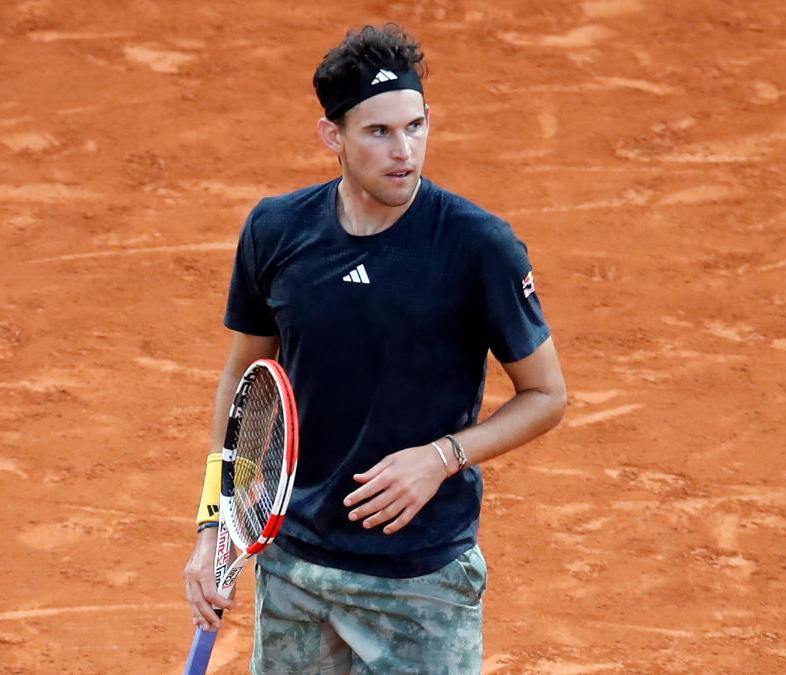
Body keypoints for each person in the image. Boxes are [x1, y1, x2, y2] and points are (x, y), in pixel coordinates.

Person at [181, 23, 567, 675]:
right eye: (379, 132)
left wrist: (442, 457)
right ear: (332, 135)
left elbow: (547, 394)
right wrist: (214, 524)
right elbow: (247, 388)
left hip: (420, 583)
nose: (404, 152)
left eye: (415, 127)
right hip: (296, 571)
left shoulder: (478, 247)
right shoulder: (277, 230)